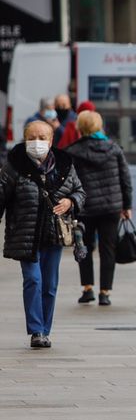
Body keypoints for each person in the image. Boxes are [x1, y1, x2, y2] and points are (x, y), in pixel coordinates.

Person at [0, 120, 84, 348]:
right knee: (33, 279)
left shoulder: (64, 165)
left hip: (53, 234)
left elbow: (80, 191)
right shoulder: (14, 165)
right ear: (25, 138)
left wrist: (70, 201)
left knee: (49, 284)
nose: (36, 142)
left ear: (51, 140)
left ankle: (45, 330)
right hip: (25, 234)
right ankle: (36, 330)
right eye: (32, 138)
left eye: (42, 138)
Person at [65, 110, 131, 306]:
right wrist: (127, 205)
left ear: (80, 127)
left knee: (83, 246)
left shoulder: (72, 151)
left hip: (84, 208)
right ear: (99, 126)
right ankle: (105, 293)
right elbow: (125, 179)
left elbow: (68, 182)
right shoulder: (114, 149)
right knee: (108, 249)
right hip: (111, 207)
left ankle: (87, 289)